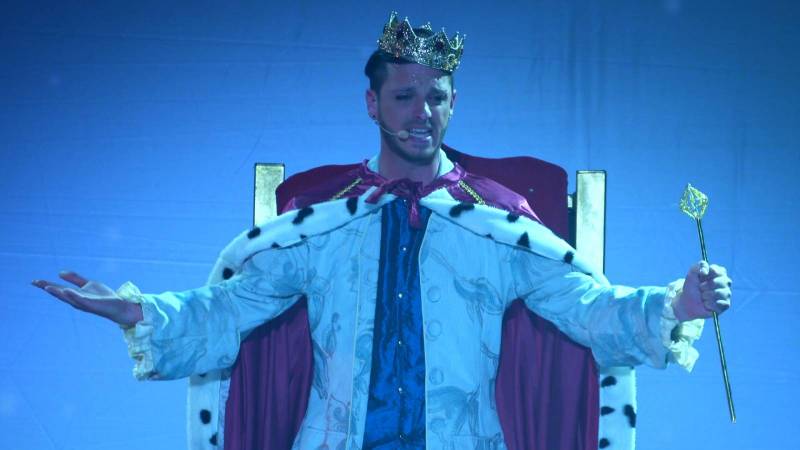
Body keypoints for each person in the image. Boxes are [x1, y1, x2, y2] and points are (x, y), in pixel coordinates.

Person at [32, 12, 732, 450]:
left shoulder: (496, 220)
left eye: (437, 97)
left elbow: (588, 310)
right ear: (372, 104)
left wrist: (676, 304)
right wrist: (139, 312)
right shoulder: (324, 219)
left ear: (453, 103)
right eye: (404, 96)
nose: (422, 112)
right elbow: (232, 310)